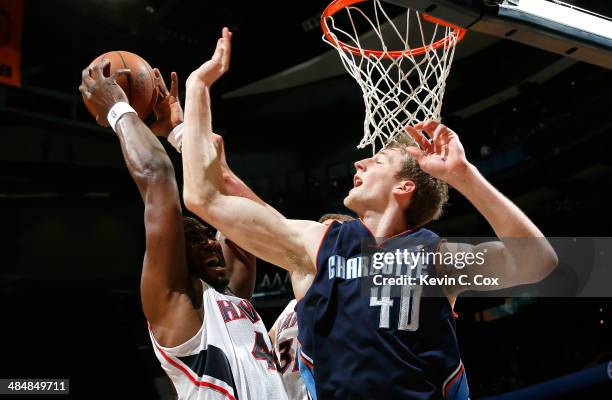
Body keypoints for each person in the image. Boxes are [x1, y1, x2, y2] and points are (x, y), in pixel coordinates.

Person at [79, 60, 287, 400]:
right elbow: (158, 177)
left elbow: (233, 204)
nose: (210, 243)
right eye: (194, 239)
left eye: (208, 235)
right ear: (176, 255)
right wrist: (118, 108)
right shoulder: (173, 299)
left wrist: (180, 132)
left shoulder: (231, 293)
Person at [268, 214, 354, 400]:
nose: (319, 246)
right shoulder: (290, 309)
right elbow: (263, 353)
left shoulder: (356, 304)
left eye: (330, 237)